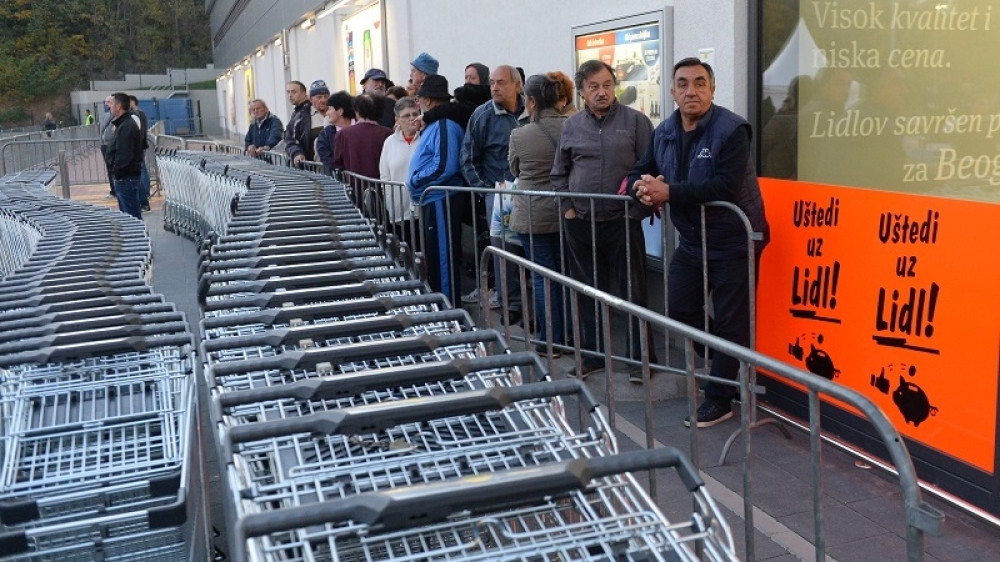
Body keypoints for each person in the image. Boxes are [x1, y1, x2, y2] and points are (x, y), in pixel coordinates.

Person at [628, 57, 770, 427]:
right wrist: (641, 188)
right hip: (692, 240)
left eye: (700, 82)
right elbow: (639, 168)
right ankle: (729, 362)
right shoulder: (665, 132)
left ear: (712, 88)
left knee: (730, 320)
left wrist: (668, 191)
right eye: (684, 83)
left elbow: (723, 184)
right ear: (673, 92)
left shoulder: (732, 129)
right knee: (681, 312)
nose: (692, 90)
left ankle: (720, 397)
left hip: (735, 239)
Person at [550, 59, 654, 381]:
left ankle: (640, 361)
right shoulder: (571, 126)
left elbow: (651, 170)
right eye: (593, 86)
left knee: (633, 292)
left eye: (607, 84)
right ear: (581, 91)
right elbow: (559, 174)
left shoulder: (635, 122)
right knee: (586, 292)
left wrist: (635, 212)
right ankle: (593, 357)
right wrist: (568, 209)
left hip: (622, 222)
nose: (602, 92)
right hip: (581, 222)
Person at [460, 64, 530, 321]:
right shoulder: (482, 115)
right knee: (504, 250)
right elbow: (468, 157)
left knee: (532, 249)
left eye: (501, 82)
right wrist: (487, 191)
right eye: (492, 83)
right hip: (499, 195)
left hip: (531, 192)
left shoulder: (532, 110)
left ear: (517, 85)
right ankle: (511, 303)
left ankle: (533, 304)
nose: (495, 88)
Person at [508, 74, 569, 356]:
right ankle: (569, 335)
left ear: (531, 101)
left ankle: (550, 340)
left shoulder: (520, 134)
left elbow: (515, 170)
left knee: (543, 277)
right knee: (567, 275)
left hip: (532, 214)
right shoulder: (573, 126)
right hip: (567, 210)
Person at [407, 74, 465, 302]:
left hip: (441, 198)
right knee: (436, 257)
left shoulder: (443, 125)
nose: (418, 103)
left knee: (443, 260)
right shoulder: (436, 124)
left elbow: (444, 165)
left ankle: (449, 310)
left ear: (428, 101)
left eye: (419, 99)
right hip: (435, 198)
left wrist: (416, 180)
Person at [379, 97, 422, 249]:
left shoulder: (425, 138)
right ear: (397, 119)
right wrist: (391, 205)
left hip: (423, 209)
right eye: (406, 116)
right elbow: (385, 176)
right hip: (399, 211)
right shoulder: (389, 142)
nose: (412, 119)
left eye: (414, 114)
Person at [334, 93, 392, 203]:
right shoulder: (388, 134)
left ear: (357, 111)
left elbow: (337, 163)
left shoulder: (343, 134)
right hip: (382, 191)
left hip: (353, 191)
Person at [106, 93, 144, 220]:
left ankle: (138, 239)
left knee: (131, 218)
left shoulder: (126, 126)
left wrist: (117, 173)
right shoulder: (123, 124)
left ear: (119, 106)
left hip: (126, 178)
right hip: (125, 177)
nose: (109, 107)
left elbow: (124, 155)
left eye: (111, 104)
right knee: (129, 216)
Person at [316, 91, 355, 175]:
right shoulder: (325, 134)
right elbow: (326, 157)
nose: (327, 113)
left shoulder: (362, 128)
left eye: (330, 109)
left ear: (340, 111)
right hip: (338, 181)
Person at [128, 95, 151, 212]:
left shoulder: (137, 114)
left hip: (138, 146)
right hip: (140, 145)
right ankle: (145, 193)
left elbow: (139, 131)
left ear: (133, 102)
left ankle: (145, 193)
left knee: (141, 170)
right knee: (142, 169)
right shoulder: (139, 113)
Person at [282, 80, 313, 165]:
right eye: (288, 92)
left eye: (294, 92)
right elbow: (290, 137)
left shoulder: (306, 112)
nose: (290, 95)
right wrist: (296, 152)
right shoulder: (297, 113)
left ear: (304, 93)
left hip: (310, 162)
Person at [99, 96, 117, 198]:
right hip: (104, 145)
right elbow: (102, 128)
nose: (106, 104)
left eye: (109, 102)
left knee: (114, 168)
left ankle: (116, 190)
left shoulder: (117, 115)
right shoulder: (106, 116)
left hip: (112, 145)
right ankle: (113, 190)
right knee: (109, 169)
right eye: (106, 102)